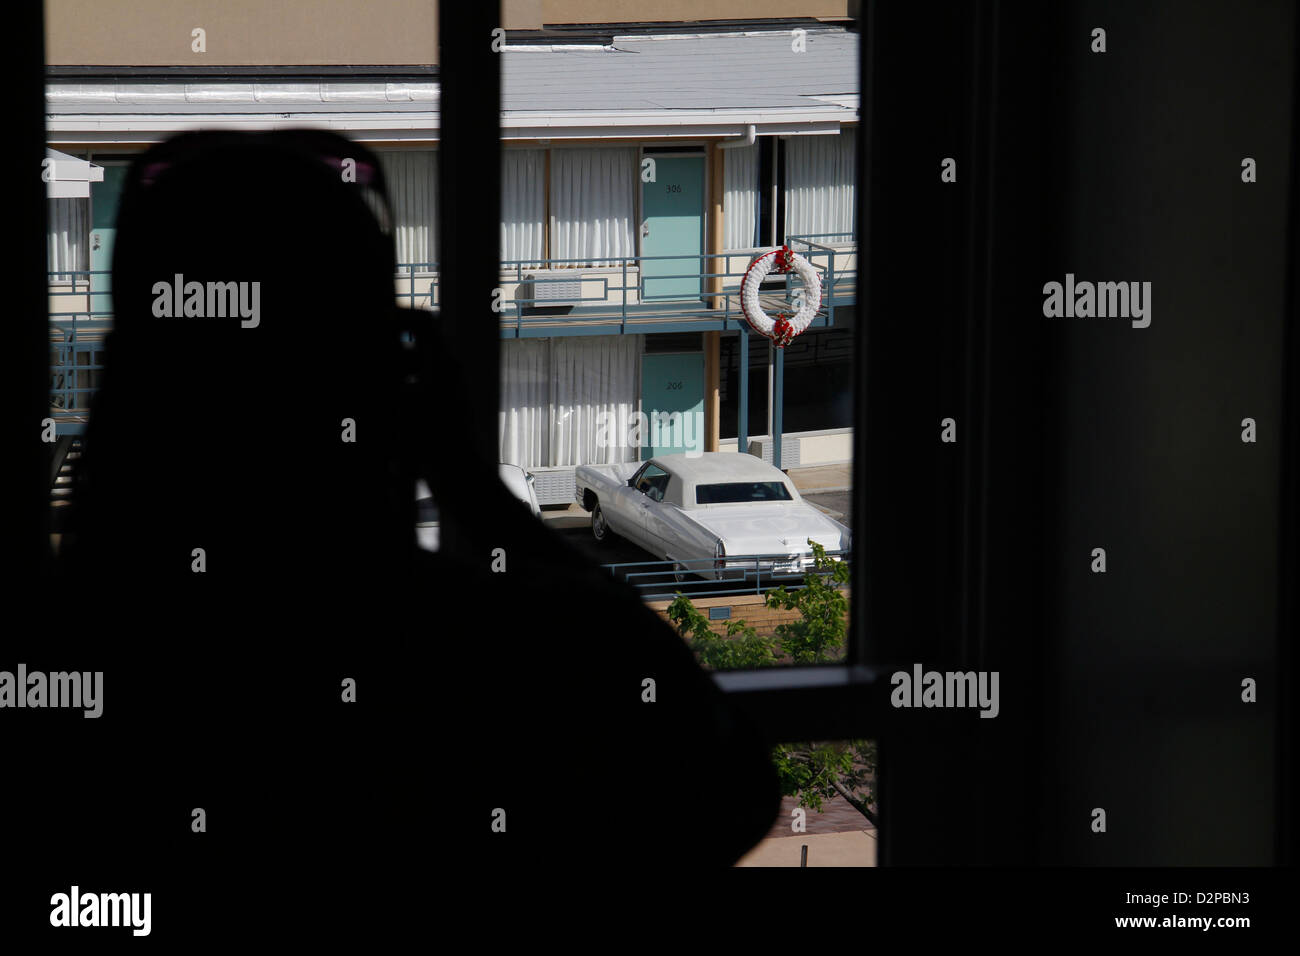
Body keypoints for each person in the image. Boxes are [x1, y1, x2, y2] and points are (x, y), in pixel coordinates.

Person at [42, 130, 779, 910]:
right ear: (386, 384)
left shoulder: (77, 640)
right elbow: (726, 790)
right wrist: (478, 495)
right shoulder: (483, 639)